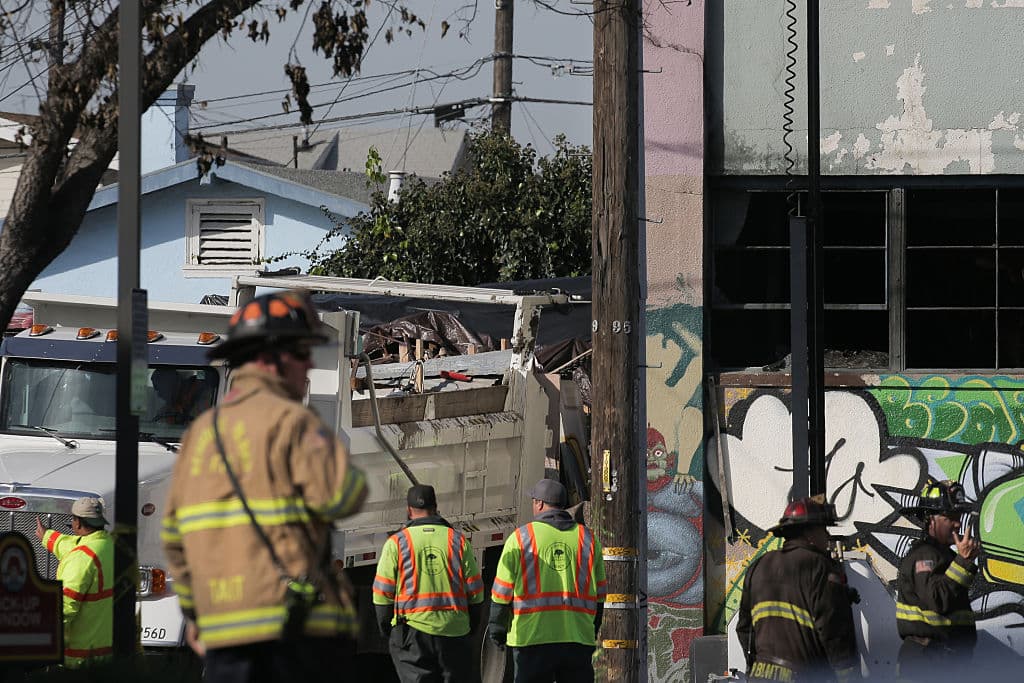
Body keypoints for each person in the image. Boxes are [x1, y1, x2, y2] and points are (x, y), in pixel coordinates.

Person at [161, 290, 368, 683]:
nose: (309, 364)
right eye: (302, 352)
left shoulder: (203, 433)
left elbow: (176, 538)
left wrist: (195, 613)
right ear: (273, 357)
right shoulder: (293, 423)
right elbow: (346, 494)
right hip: (287, 634)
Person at [488, 479, 606, 683]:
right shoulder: (587, 539)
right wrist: (590, 631)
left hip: (532, 638)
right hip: (577, 639)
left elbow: (501, 593)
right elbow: (600, 595)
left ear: (539, 504)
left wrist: (497, 630)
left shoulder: (521, 538)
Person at [735, 497, 859, 683]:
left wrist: (757, 668)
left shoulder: (758, 566)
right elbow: (835, 632)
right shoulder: (820, 567)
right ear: (809, 533)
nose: (826, 536)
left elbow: (745, 628)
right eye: (823, 529)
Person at [373, 484, 485, 682]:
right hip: (454, 632)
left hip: (413, 635)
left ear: (409, 510)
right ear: (435, 507)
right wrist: (469, 628)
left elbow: (382, 594)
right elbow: (475, 592)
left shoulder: (397, 543)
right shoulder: (457, 540)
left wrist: (389, 632)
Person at [895, 479, 978, 681]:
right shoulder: (925, 556)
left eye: (958, 516)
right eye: (950, 516)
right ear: (931, 519)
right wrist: (963, 562)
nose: (958, 523)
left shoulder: (942, 555)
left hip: (943, 661)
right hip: (927, 663)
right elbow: (937, 599)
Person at [35, 497, 113, 667]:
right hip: (105, 652)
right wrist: (47, 535)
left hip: (79, 660)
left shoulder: (82, 558)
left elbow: (65, 606)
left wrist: (39, 638)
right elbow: (71, 545)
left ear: (77, 523)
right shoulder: (109, 545)